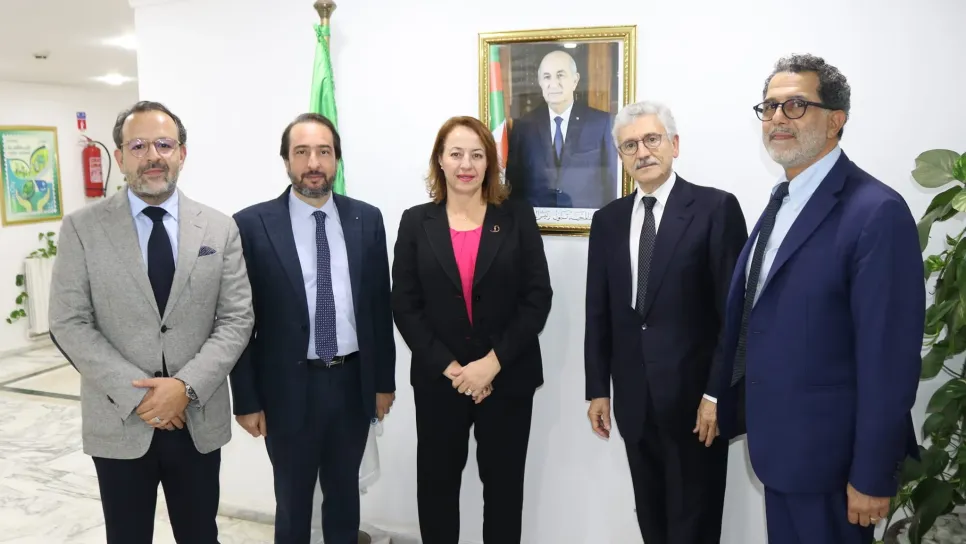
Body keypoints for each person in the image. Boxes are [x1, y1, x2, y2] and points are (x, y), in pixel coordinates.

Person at [716, 54, 924, 544]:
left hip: (835, 466)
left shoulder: (876, 212)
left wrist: (872, 473)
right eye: (769, 107)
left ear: (835, 120)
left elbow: (889, 359)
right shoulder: (782, 201)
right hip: (781, 452)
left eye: (796, 105)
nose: (777, 118)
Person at [47, 100, 255, 543]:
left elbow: (237, 318)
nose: (152, 156)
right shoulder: (82, 229)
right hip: (119, 419)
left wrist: (185, 387)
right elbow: (68, 322)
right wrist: (140, 395)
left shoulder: (219, 228)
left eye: (164, 144)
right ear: (120, 157)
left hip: (196, 417)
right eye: (138, 146)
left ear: (182, 153)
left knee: (200, 535)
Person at [583, 101, 747, 544]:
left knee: (695, 526)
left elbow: (734, 316)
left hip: (697, 407)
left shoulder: (715, 209)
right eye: (630, 145)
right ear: (621, 156)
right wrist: (598, 389)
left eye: (651, 139)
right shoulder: (607, 221)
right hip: (635, 403)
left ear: (674, 144)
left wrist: (717, 394)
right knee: (652, 523)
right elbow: (598, 312)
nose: (642, 152)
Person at [228, 113, 396, 544]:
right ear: (286, 160)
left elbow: (380, 307)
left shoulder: (366, 219)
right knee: (292, 502)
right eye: (301, 152)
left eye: (324, 151)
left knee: (344, 499)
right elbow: (238, 321)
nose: (313, 163)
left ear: (337, 159)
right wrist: (246, 399)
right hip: (286, 389)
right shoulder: (251, 225)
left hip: (352, 383)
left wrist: (383, 383)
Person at [391, 115, 552, 543]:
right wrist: (454, 370)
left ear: (490, 163)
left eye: (477, 155)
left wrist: (491, 365)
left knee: (504, 492)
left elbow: (537, 298)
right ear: (440, 161)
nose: (467, 164)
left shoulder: (516, 217)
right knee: (437, 490)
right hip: (440, 381)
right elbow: (405, 304)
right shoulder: (415, 222)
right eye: (456, 154)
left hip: (507, 378)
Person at [506, 49, 617, 209]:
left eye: (560, 75)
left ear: (575, 80)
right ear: (540, 82)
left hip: (588, 220)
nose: (553, 84)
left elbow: (612, 181)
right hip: (536, 220)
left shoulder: (602, 123)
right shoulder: (524, 126)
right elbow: (514, 184)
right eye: (547, 77)